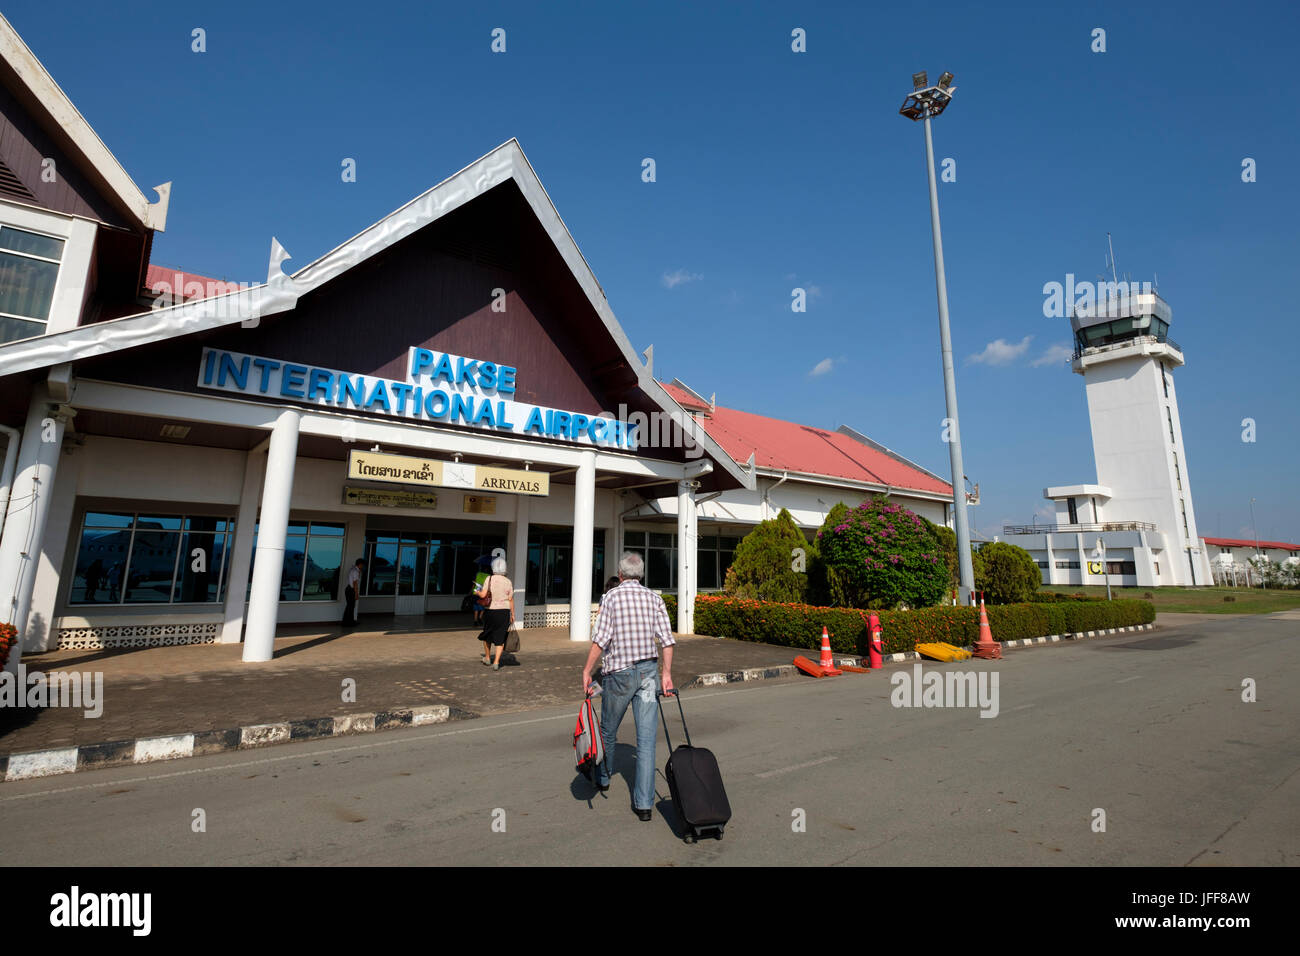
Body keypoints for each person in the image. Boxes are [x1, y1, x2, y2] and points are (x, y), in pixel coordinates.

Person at [581, 551, 675, 821]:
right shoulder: (655, 598)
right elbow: (667, 641)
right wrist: (666, 674)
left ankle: (604, 777)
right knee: (646, 741)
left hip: (619, 674)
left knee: (608, 730)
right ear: (641, 575)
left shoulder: (610, 598)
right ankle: (644, 805)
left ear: (620, 575)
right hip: (648, 674)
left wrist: (587, 670)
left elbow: (600, 639)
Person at [476, 556, 515, 670]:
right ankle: (496, 662)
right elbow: (511, 599)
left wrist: (477, 592)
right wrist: (512, 614)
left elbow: (483, 595)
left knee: (487, 634)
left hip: (490, 611)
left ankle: (487, 658)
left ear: (493, 568)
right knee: (500, 637)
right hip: (504, 612)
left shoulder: (489, 579)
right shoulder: (508, 581)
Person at [342, 558, 363, 626]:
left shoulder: (354, 569)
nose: (362, 566)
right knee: (350, 606)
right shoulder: (355, 571)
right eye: (362, 565)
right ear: (360, 564)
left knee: (350, 606)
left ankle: (347, 621)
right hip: (351, 590)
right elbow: (355, 583)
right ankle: (349, 622)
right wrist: (356, 593)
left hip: (349, 589)